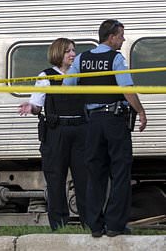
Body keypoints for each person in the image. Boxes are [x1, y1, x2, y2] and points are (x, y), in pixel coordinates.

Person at [63, 19, 148, 238]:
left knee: (95, 173)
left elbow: (67, 87)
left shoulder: (82, 58)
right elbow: (126, 89)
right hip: (114, 121)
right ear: (111, 37)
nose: (123, 39)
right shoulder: (116, 58)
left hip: (92, 123)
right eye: (121, 35)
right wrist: (140, 111)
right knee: (120, 172)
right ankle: (115, 225)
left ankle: (95, 225)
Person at [18, 38, 87, 230]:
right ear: (58, 54)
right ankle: (59, 225)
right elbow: (37, 105)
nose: (73, 54)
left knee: (85, 179)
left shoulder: (81, 76)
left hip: (81, 130)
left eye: (73, 50)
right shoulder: (46, 76)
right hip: (56, 132)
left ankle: (90, 224)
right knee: (56, 179)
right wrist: (29, 107)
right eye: (68, 51)